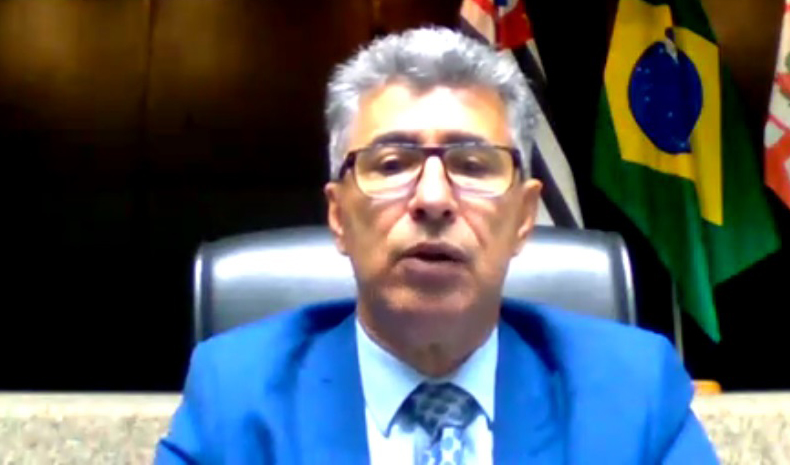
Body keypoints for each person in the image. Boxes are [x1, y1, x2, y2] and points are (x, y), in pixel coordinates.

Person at [156, 26, 719, 464]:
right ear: (339, 217)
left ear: (525, 218)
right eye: (391, 164)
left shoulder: (634, 391)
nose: (432, 198)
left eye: (472, 165)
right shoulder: (236, 394)